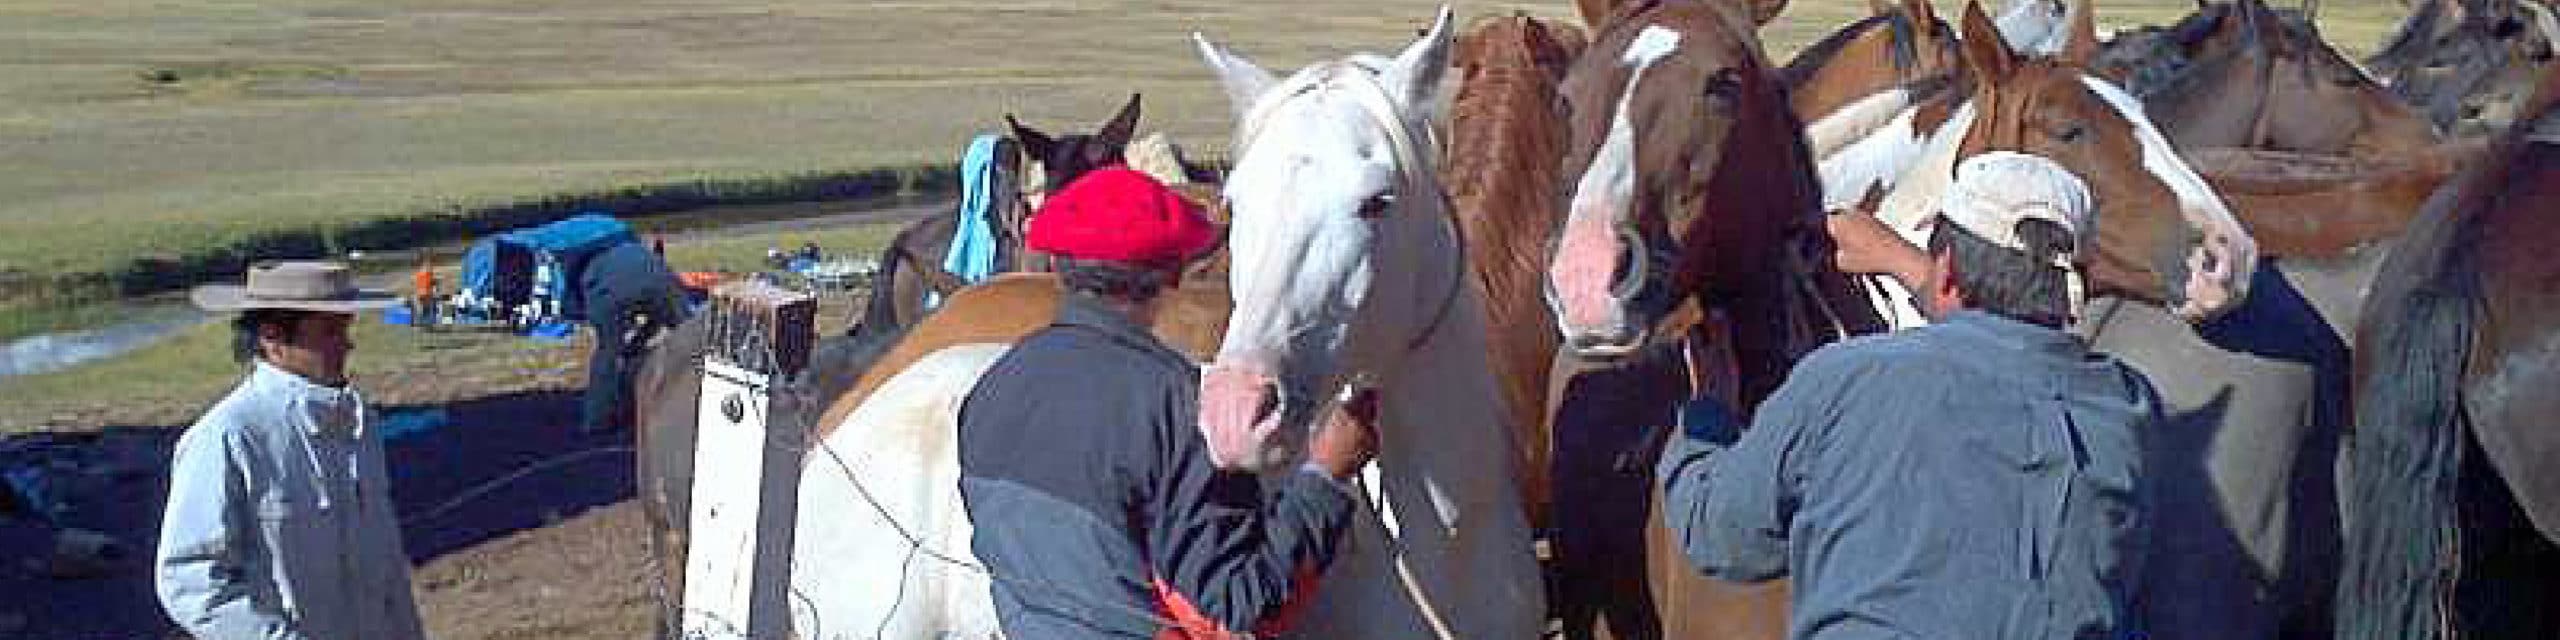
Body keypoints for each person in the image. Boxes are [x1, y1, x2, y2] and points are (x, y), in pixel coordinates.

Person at [1659, 152, 2161, 639]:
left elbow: (1724, 535)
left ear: (1946, 271)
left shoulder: (1847, 377)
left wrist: (1708, 413)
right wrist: (1915, 268)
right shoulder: (2127, 407)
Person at [956, 167, 1378, 639]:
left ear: (1058, 268)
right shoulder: (1178, 407)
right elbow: (1244, 607)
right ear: (1172, 275)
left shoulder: (990, 389)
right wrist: (1325, 476)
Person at [156, 261, 425, 640]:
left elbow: (386, 566)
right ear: (273, 338)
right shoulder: (228, 437)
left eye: (346, 327)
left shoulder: (357, 422)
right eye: (330, 330)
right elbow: (190, 582)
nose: (347, 343)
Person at [576, 240, 688, 433]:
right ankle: (687, 396)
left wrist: (634, 345)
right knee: (687, 336)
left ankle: (596, 419)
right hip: (630, 286)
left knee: (606, 354)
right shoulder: (660, 271)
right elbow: (677, 322)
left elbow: (655, 319)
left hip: (602, 290)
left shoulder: (610, 259)